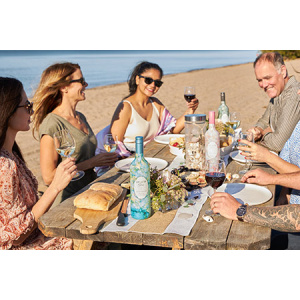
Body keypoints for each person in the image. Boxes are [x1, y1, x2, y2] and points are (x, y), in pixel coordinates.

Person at [0, 77, 76, 250]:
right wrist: (55, 187)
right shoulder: (4, 165)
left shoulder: (12, 154)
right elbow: (18, 237)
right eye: (27, 106)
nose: (31, 112)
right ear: (8, 111)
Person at [32, 62, 118, 206]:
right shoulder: (52, 123)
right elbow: (48, 177)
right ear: (64, 87)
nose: (86, 85)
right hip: (67, 201)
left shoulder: (80, 116)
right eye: (81, 81)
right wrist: (92, 162)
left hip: (89, 192)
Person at [95, 61, 198, 174]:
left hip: (152, 157)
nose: (153, 85)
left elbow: (173, 131)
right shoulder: (126, 107)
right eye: (148, 80)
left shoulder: (156, 104)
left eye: (157, 83)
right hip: (127, 163)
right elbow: (114, 144)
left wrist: (190, 110)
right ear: (137, 79)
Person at [248, 52, 300, 153]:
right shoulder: (278, 92)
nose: (264, 85)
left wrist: (263, 134)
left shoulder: (294, 95)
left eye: (267, 78)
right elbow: (264, 120)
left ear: (283, 71)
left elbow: (277, 144)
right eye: (259, 80)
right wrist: (258, 130)